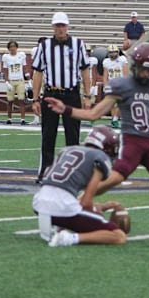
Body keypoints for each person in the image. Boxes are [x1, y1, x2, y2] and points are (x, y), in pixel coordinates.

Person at [45, 42, 149, 242]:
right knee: (114, 178)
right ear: (135, 66)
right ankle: (77, 204)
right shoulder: (122, 86)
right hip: (131, 140)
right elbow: (95, 113)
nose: (147, 74)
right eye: (143, 69)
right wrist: (67, 110)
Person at [33, 125, 127, 246]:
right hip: (62, 206)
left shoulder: (67, 150)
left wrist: (99, 207)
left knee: (76, 210)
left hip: (39, 202)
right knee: (118, 236)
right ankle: (68, 238)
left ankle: (61, 226)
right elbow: (86, 202)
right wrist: (99, 209)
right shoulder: (100, 157)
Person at [31, 12, 92, 183]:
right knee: (48, 135)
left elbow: (85, 70)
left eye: (63, 26)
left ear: (67, 27)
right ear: (53, 27)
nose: (60, 29)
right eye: (57, 26)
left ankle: (73, 173)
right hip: (51, 94)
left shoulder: (78, 44)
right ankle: (46, 171)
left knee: (73, 136)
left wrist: (87, 95)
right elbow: (38, 72)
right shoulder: (44, 46)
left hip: (71, 94)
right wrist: (35, 99)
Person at [2, 40, 29, 125]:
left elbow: (24, 67)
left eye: (14, 47)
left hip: (20, 80)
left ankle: (22, 119)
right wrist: (7, 82)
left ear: (17, 47)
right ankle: (9, 118)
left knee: (21, 100)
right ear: (8, 48)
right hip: (11, 80)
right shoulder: (6, 57)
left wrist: (29, 80)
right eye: (11, 47)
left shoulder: (21, 55)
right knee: (10, 101)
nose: (12, 48)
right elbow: (5, 71)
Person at [103, 44, 129, 128]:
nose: (113, 54)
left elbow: (126, 73)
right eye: (111, 52)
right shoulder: (106, 61)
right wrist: (105, 85)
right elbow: (105, 75)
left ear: (118, 52)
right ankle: (114, 120)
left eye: (114, 52)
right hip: (111, 84)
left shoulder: (122, 59)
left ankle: (115, 119)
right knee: (112, 104)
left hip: (121, 84)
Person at [82, 44, 100, 126]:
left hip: (90, 81)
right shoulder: (79, 59)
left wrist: (93, 85)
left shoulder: (93, 60)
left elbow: (94, 73)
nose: (87, 53)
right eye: (86, 51)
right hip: (81, 81)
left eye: (88, 51)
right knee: (81, 100)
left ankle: (89, 117)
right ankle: (82, 117)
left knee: (91, 101)